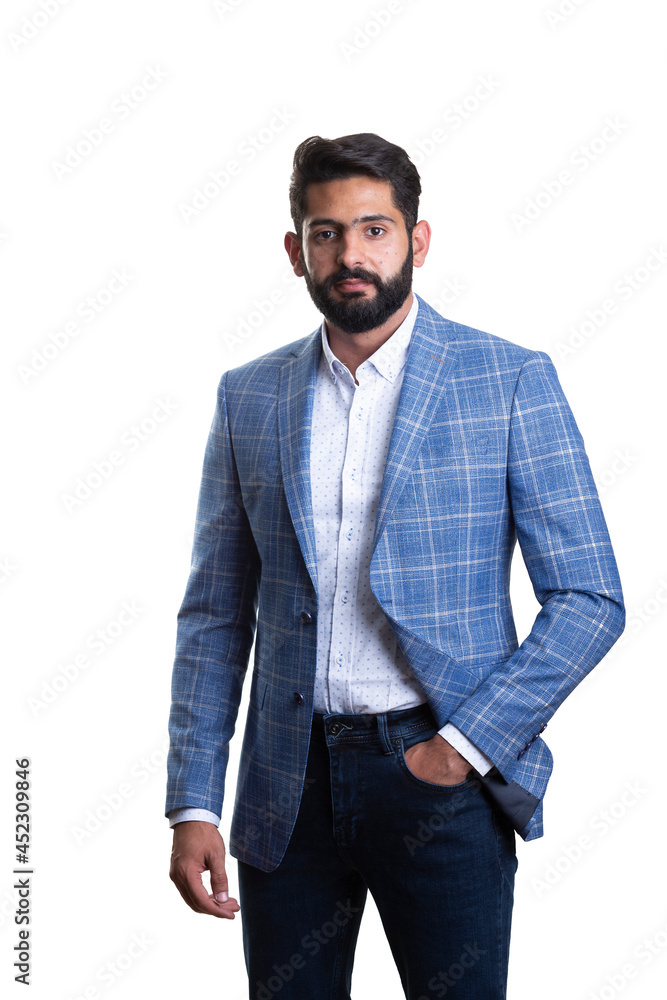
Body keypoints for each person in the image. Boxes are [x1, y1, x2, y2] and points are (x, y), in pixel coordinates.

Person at [166, 132, 624, 999]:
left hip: (438, 781)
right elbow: (216, 614)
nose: (351, 254)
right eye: (327, 232)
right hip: (284, 788)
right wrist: (193, 802)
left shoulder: (508, 380)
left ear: (417, 240)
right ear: (296, 250)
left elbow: (589, 598)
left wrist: (461, 747)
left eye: (374, 230)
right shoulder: (248, 395)